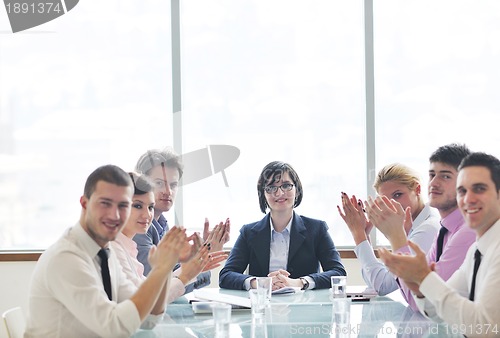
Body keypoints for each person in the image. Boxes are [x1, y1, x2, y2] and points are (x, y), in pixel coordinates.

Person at [25, 165, 199, 337]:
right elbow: (113, 328)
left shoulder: (105, 253)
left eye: (123, 205)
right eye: (105, 203)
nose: (115, 215)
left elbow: (148, 319)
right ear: (84, 203)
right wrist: (160, 269)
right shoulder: (66, 258)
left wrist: (165, 269)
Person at [379, 152, 500, 336]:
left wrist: (423, 278)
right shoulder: (476, 248)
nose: (468, 199)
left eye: (480, 189)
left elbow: (484, 326)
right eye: (462, 191)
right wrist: (419, 287)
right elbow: (436, 309)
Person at [366, 143, 476, 310]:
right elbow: (415, 298)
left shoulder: (467, 233)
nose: (433, 183)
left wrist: (397, 236)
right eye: (432, 175)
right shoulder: (443, 231)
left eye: (445, 176)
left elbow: (429, 302)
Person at [219, 161, 346, 291]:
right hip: (262, 305)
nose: (279, 193)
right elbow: (226, 275)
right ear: (263, 195)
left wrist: (300, 283)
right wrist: (260, 283)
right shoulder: (248, 232)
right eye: (271, 187)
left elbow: (338, 273)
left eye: (286, 186)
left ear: (297, 190)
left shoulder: (317, 229)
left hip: (303, 306)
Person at [111, 172, 228, 303]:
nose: (147, 215)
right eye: (137, 206)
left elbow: (150, 290)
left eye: (150, 207)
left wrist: (192, 269)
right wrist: (184, 275)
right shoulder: (113, 250)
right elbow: (145, 302)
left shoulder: (129, 247)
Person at [133, 148, 230, 296]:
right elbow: (156, 284)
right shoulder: (137, 228)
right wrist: (195, 265)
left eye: (173, 185)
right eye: (159, 183)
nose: (168, 191)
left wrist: (205, 252)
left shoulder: (163, 226)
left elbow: (177, 276)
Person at [338, 163, 440, 295]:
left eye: (398, 195)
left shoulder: (427, 229)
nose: (392, 204)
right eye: (385, 200)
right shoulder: (410, 227)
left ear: (417, 189)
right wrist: (365, 236)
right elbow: (374, 283)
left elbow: (383, 286)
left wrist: (358, 234)